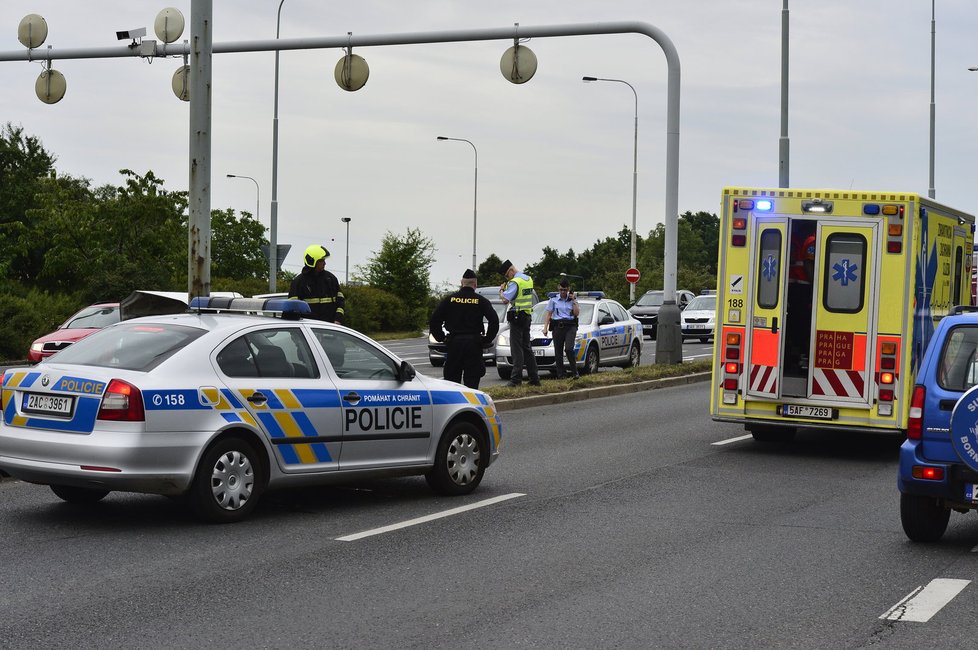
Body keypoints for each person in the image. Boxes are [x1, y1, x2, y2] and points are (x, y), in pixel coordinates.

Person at [428, 269, 499, 389]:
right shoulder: (481, 301)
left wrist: (442, 338)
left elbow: (434, 320)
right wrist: (487, 339)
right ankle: (471, 404)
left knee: (452, 381)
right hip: (474, 345)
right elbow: (494, 321)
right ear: (475, 285)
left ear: (462, 283)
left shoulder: (449, 300)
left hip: (454, 344)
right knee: (472, 380)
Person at [498, 259, 540, 387]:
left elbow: (505, 300)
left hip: (517, 317)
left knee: (516, 349)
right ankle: (534, 378)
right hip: (527, 316)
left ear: (511, 270)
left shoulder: (514, 282)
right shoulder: (528, 279)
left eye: (506, 275)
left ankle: (516, 379)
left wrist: (501, 291)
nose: (507, 278)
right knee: (527, 348)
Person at [289, 244, 346, 324]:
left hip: (330, 328)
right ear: (312, 261)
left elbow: (341, 302)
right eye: (321, 260)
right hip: (308, 330)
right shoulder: (298, 282)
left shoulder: (330, 279)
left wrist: (338, 319)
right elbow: (293, 308)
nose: (324, 263)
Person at [542, 278, 581, 379]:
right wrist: (545, 328)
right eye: (561, 290)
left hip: (570, 327)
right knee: (558, 351)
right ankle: (561, 375)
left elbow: (576, 313)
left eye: (565, 290)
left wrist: (574, 300)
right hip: (558, 327)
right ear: (559, 289)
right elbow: (549, 314)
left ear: (568, 289)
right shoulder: (553, 299)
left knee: (568, 349)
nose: (563, 292)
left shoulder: (572, 299)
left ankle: (575, 372)